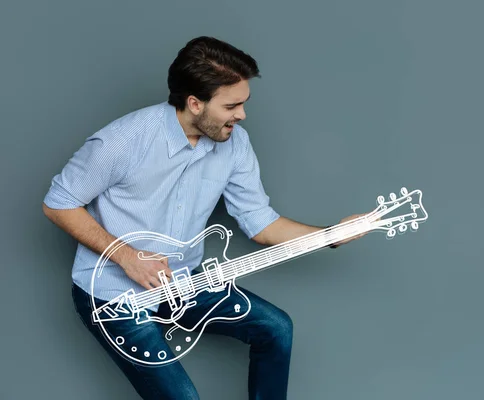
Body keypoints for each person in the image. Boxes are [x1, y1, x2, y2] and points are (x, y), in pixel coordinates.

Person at [42, 36, 366, 400]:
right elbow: (58, 203)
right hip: (113, 296)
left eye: (243, 103)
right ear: (194, 104)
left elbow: (261, 224)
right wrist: (127, 257)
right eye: (232, 105)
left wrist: (330, 235)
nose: (241, 115)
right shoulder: (122, 141)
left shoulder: (235, 143)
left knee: (276, 329)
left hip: (183, 285)